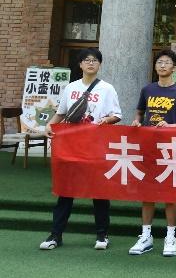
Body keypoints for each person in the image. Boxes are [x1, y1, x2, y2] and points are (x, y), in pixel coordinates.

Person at [39, 48, 122, 251]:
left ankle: (102, 235)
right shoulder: (71, 88)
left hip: (96, 147)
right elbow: (61, 113)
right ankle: (55, 235)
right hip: (72, 147)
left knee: (99, 192)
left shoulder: (107, 89)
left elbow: (117, 115)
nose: (90, 63)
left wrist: (107, 119)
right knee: (65, 191)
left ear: (99, 64)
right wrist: (49, 125)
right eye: (87, 60)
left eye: (94, 60)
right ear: (80, 64)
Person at [128, 48, 176, 257]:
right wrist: (137, 122)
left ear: (174, 68)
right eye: (159, 62)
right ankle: (146, 236)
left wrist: (170, 127)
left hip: (171, 149)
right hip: (149, 147)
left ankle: (170, 236)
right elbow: (140, 112)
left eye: (167, 62)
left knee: (169, 194)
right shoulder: (147, 89)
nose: (163, 65)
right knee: (147, 193)